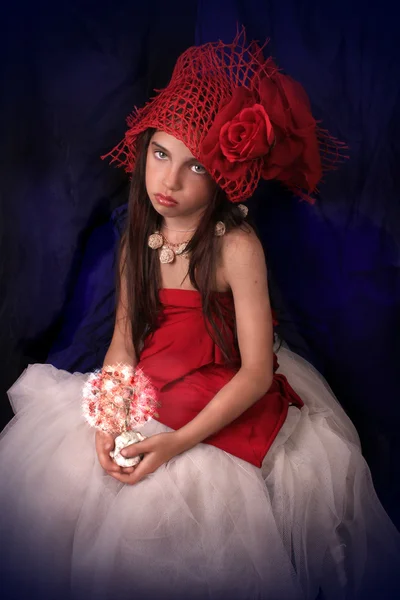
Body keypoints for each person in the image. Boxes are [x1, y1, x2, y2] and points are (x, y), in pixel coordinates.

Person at [0, 32, 399, 600]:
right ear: (144, 151)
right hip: (152, 384)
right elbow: (121, 342)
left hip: (220, 391)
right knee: (65, 483)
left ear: (223, 179)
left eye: (197, 167)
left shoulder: (237, 246)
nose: (170, 180)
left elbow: (258, 372)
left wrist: (177, 442)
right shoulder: (137, 238)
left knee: (174, 507)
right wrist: (111, 418)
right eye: (161, 154)